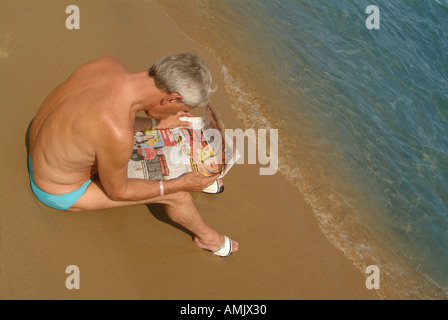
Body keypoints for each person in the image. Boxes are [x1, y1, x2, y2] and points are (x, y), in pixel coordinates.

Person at [28, 53, 238, 257]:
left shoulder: (108, 64)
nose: (174, 114)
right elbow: (118, 191)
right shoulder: (117, 132)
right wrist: (179, 184)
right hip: (58, 188)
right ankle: (209, 239)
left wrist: (159, 124)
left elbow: (102, 117)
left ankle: (196, 177)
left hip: (44, 147)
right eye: (180, 108)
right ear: (172, 98)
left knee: (148, 140)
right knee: (178, 195)